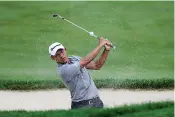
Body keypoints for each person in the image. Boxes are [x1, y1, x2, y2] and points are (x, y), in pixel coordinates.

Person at [48, 37, 112, 109]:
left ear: (65, 50)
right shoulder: (63, 70)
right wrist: (100, 45)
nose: (61, 56)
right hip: (82, 105)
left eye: (62, 52)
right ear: (53, 58)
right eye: (57, 55)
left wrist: (106, 50)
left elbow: (97, 65)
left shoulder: (74, 59)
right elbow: (85, 61)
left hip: (97, 101)